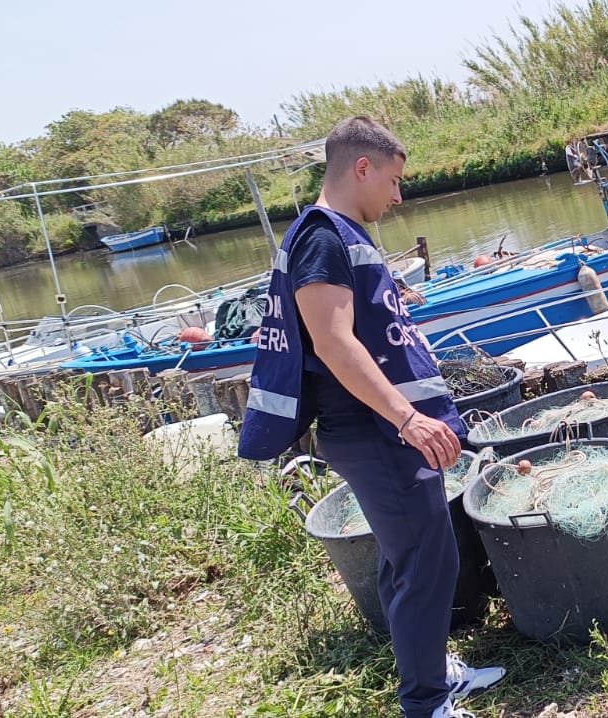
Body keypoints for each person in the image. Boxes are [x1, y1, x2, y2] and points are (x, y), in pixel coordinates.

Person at [238, 116, 504, 718]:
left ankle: (431, 672)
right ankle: (426, 703)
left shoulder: (341, 237)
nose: (398, 195)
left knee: (404, 557)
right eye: (393, 179)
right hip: (375, 433)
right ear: (363, 167)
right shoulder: (323, 238)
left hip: (375, 431)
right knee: (427, 563)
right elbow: (332, 342)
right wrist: (408, 419)